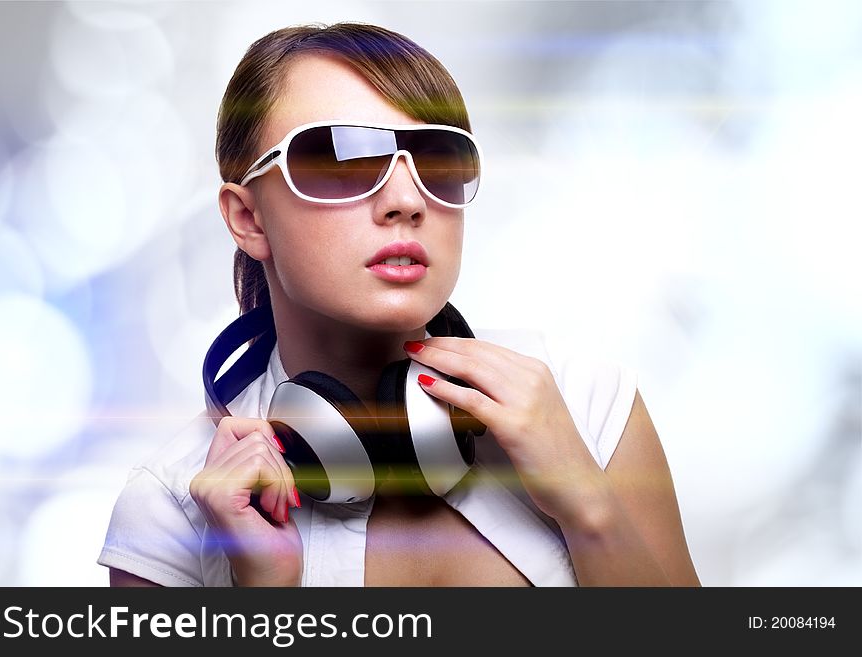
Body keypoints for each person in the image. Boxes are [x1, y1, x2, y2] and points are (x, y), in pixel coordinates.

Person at [99, 22, 700, 587]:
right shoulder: (172, 509)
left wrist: (589, 507)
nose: (407, 199)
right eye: (341, 158)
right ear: (249, 218)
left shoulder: (585, 403)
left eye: (438, 160)